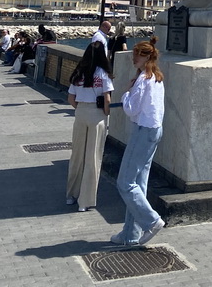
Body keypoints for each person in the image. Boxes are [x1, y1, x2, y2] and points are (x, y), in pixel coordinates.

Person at [112, 37, 166, 247]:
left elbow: (131, 109)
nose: (133, 58)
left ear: (146, 56)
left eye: (137, 54)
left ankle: (151, 221)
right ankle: (130, 234)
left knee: (125, 182)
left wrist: (126, 93)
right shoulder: (157, 77)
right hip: (154, 129)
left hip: (143, 130)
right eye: (134, 53)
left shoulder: (143, 80)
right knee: (139, 183)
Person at [66, 43, 113, 211]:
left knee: (77, 155)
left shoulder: (78, 73)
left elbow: (71, 98)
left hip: (81, 113)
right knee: (93, 158)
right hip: (97, 115)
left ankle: (71, 194)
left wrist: (80, 109)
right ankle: (85, 201)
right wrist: (106, 113)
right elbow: (107, 100)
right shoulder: (103, 74)